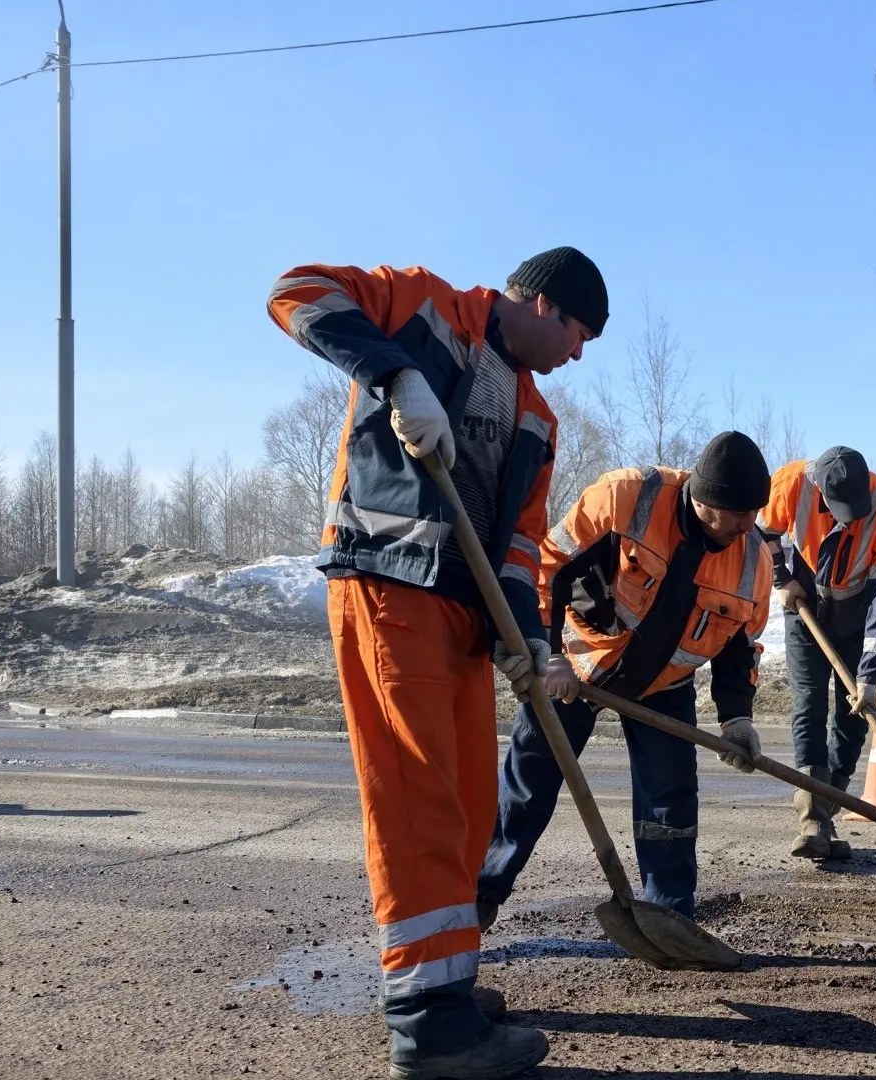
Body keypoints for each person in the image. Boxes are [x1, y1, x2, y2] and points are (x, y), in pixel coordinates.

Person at [266, 246, 607, 1078]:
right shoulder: (424, 310)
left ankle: (446, 986)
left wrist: (527, 635)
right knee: (418, 797)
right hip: (389, 585)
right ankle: (428, 1028)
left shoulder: (538, 419)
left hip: (465, 614)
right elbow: (294, 291)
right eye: (578, 333)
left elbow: (521, 546)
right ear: (538, 303)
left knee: (463, 803)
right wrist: (394, 374)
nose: (578, 355)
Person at [477, 431, 774, 926]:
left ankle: (669, 917)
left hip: (664, 686)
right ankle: (479, 897)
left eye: (756, 512)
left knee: (670, 805)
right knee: (529, 786)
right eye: (741, 513)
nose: (751, 525)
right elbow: (547, 568)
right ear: (705, 502)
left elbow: (740, 647)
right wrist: (550, 657)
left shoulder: (752, 561)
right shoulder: (624, 499)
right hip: (578, 666)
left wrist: (737, 719)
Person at [758, 447, 876, 859]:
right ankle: (811, 820)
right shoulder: (790, 484)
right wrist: (781, 576)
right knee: (807, 704)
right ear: (821, 491)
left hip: (856, 613)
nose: (848, 516)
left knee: (853, 716)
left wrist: (871, 677)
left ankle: (826, 804)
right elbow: (762, 529)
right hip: (804, 605)